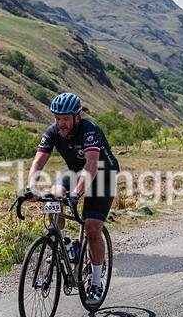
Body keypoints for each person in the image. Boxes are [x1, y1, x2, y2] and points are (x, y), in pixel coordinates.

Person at [27, 92, 119, 305]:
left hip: (103, 174)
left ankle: (96, 283)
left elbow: (92, 164)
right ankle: (65, 242)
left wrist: (77, 193)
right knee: (54, 197)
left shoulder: (89, 131)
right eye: (57, 118)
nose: (60, 123)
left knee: (92, 227)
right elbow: (38, 162)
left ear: (77, 117)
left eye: (65, 119)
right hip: (75, 172)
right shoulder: (52, 132)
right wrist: (31, 187)